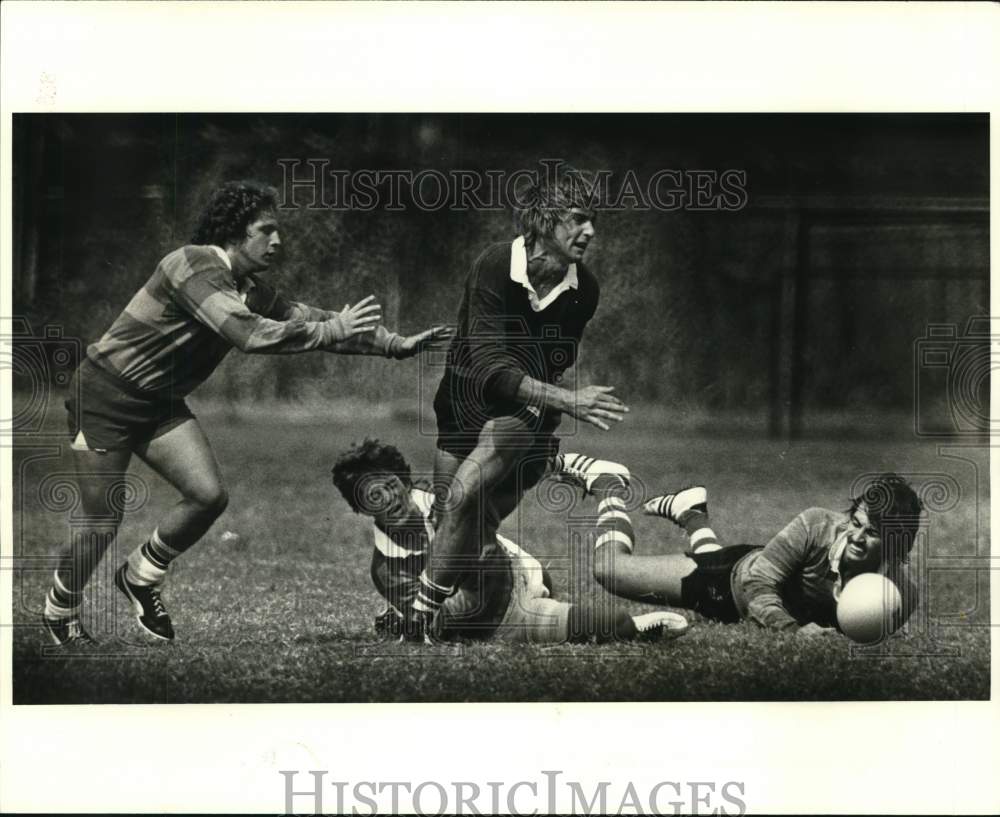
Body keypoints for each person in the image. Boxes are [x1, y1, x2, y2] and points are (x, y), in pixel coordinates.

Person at [42, 180, 449, 647]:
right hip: (105, 395)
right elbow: (248, 334)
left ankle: (139, 575)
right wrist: (332, 328)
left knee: (207, 495)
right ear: (235, 232)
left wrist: (395, 345)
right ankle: (59, 612)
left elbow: (313, 318)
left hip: (155, 401)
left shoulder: (247, 287)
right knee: (101, 521)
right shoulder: (190, 263)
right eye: (266, 230)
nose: (278, 241)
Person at [405, 165, 628, 642]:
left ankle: (417, 617)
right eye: (577, 219)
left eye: (593, 220)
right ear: (545, 220)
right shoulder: (493, 264)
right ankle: (529, 576)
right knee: (455, 519)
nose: (589, 231)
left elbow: (552, 364)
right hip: (465, 400)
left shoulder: (582, 290)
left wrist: (546, 419)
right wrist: (569, 401)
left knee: (467, 498)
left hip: (520, 410)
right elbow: (488, 365)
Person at [332, 439, 688, 644]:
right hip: (501, 617)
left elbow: (496, 472)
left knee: (487, 512)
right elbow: (438, 624)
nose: (388, 500)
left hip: (522, 569)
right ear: (359, 509)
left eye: (391, 486)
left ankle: (605, 485)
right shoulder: (386, 568)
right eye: (372, 497)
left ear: (405, 481)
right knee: (615, 625)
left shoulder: (441, 503)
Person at [588, 467, 923, 636]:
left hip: (761, 573)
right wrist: (791, 630)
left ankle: (692, 513)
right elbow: (758, 584)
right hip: (730, 581)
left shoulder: (899, 594)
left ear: (895, 544)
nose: (857, 537)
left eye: (873, 533)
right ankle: (609, 485)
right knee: (610, 570)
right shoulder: (816, 524)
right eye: (856, 522)